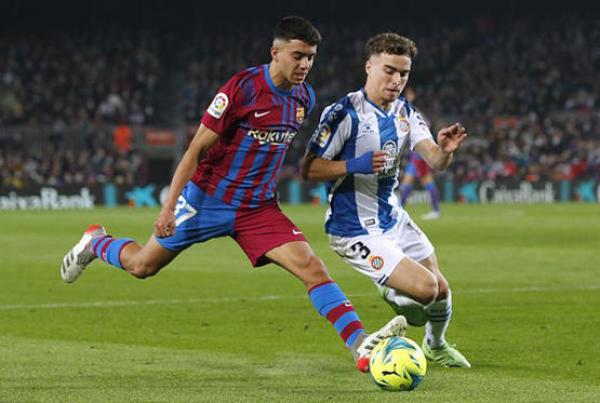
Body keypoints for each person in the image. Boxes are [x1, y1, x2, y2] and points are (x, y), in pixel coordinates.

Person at [60, 16, 405, 372]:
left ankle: (360, 345)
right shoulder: (242, 89)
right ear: (275, 52)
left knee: (312, 268)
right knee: (142, 265)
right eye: (298, 55)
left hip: (258, 209)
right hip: (208, 200)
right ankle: (97, 243)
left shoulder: (304, 97)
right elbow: (194, 150)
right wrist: (167, 209)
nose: (305, 64)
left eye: (311, 57)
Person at [301, 32, 470, 368]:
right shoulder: (344, 113)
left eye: (404, 73)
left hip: (393, 217)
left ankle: (436, 346)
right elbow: (308, 169)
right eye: (389, 70)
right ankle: (392, 290)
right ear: (369, 66)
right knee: (425, 290)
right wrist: (355, 165)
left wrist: (446, 151)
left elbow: (436, 161)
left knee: (441, 289)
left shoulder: (406, 112)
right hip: (354, 229)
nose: (396, 80)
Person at [400, 151, 442, 220]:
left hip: (420, 158)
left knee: (429, 185)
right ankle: (400, 209)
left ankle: (436, 211)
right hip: (415, 158)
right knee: (405, 186)